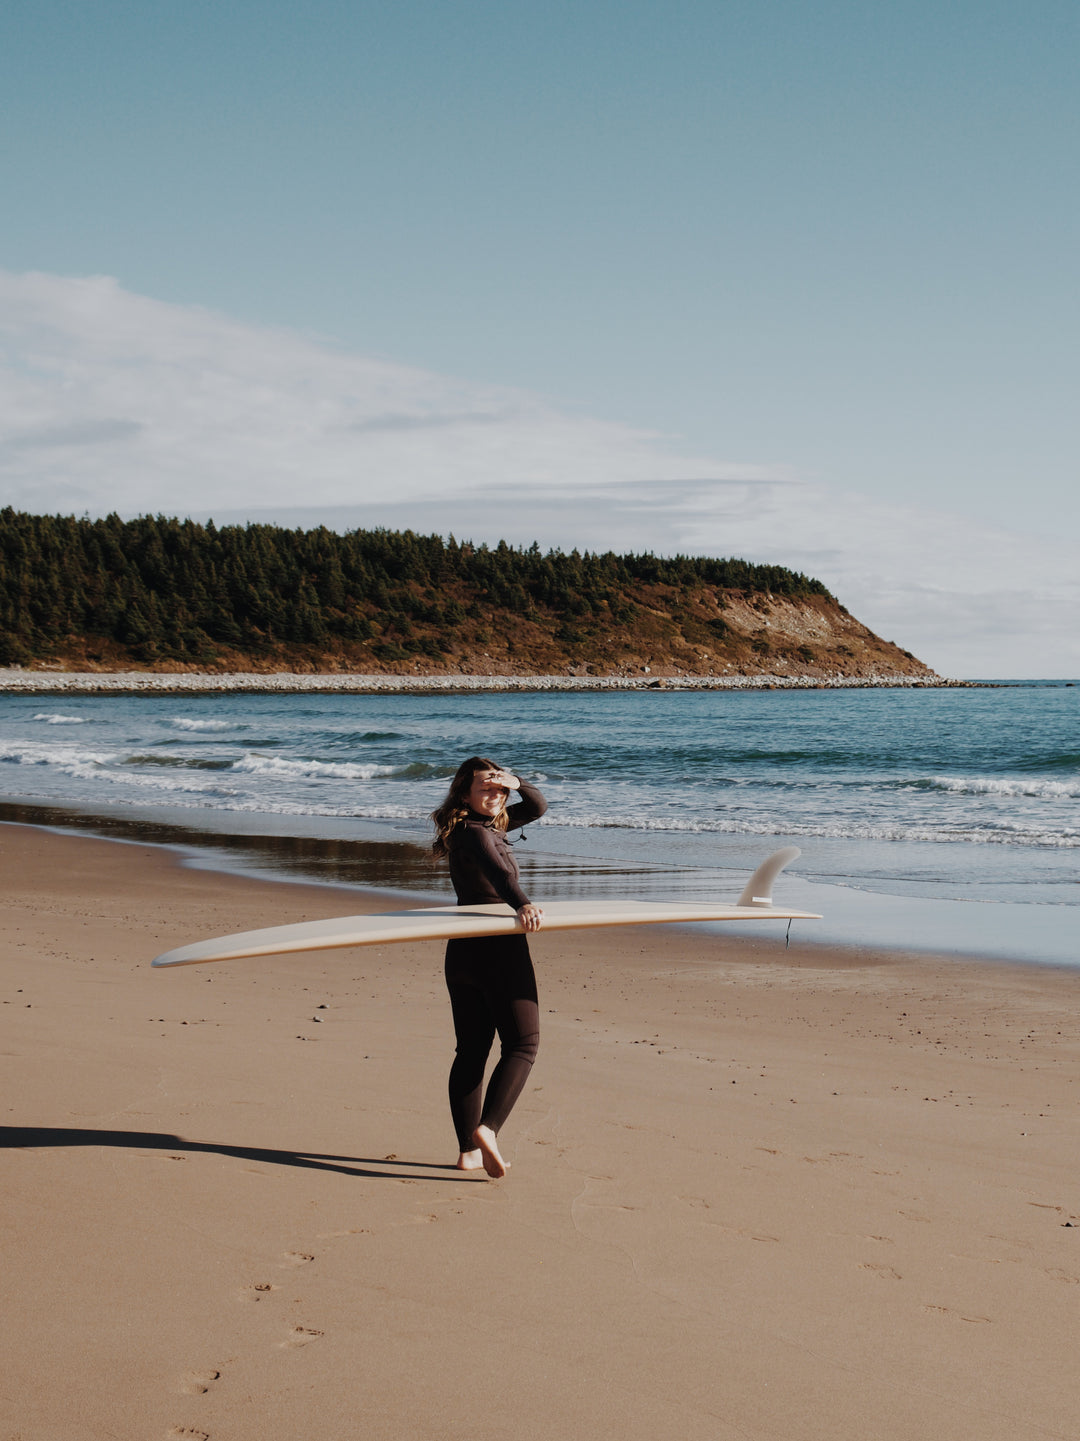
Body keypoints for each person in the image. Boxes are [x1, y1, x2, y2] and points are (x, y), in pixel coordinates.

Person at [431, 757, 547, 1178]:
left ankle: (468, 1152)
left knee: (471, 1050)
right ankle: (488, 1129)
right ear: (464, 794)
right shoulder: (476, 834)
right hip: (499, 949)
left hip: (463, 951)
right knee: (523, 1045)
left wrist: (517, 781)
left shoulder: (480, 827)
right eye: (486, 787)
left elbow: (536, 808)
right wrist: (524, 904)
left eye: (500, 789)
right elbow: (498, 873)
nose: (496, 795)